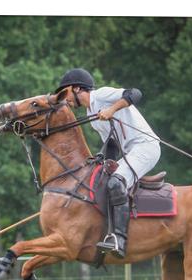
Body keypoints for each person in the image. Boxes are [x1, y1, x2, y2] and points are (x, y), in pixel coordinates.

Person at [55, 68, 161, 259]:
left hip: (146, 147)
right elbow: (111, 144)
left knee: (115, 182)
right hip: (130, 153)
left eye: (66, 93)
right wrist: (102, 160)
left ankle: (119, 240)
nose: (65, 99)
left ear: (78, 88)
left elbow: (135, 93)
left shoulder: (101, 96)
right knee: (101, 182)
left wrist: (112, 109)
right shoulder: (92, 116)